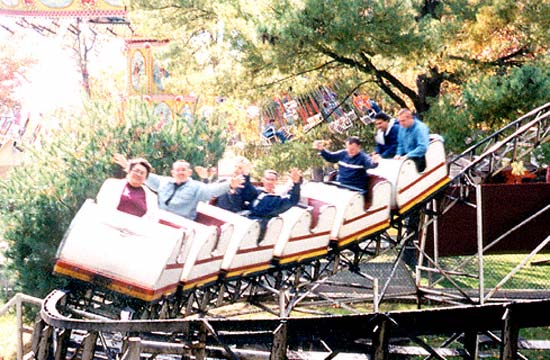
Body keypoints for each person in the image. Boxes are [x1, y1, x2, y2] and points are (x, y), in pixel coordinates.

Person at [114, 154, 244, 220]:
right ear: (172, 173)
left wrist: (229, 184)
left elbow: (210, 191)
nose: (180, 172)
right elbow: (143, 175)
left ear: (189, 173)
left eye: (183, 170)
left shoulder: (196, 187)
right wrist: (127, 164)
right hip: (160, 223)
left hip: (182, 227)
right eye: (177, 170)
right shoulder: (163, 182)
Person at [247, 168, 302, 235]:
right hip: (247, 221)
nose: (269, 182)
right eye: (267, 179)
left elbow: (293, 200)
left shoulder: (277, 199)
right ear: (263, 180)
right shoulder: (257, 192)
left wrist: (296, 183)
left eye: (272, 180)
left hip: (258, 227)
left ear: (276, 181)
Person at [314, 136, 378, 191]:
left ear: (358, 147)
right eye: (348, 148)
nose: (349, 151)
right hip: (340, 185)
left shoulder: (363, 157)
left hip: (355, 189)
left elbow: (370, 163)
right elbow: (331, 157)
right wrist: (322, 150)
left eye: (352, 149)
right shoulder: (343, 153)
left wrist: (374, 162)